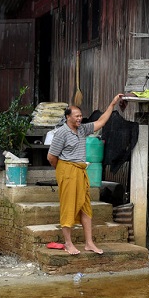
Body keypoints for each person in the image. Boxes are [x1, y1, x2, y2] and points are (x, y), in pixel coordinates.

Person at [47, 93, 124, 255]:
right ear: (68, 117)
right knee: (68, 208)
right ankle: (68, 243)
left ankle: (89, 243)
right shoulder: (62, 133)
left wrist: (112, 103)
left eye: (81, 116)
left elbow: (101, 121)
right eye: (76, 116)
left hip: (81, 172)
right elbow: (51, 157)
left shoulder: (82, 129)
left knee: (85, 208)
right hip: (67, 171)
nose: (79, 119)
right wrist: (63, 171)